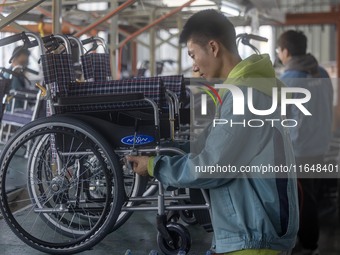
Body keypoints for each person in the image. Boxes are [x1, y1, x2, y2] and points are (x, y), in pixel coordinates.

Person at [128, 10, 299, 255]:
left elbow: (212, 165)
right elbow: (209, 143)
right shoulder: (243, 90)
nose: (195, 68)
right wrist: (168, 147)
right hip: (252, 228)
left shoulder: (245, 97)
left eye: (193, 55)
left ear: (213, 47)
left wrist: (156, 166)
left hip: (255, 236)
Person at [277, 30, 333, 255]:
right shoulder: (322, 73)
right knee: (309, 196)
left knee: (300, 199)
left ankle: (308, 246)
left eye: (279, 51)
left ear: (286, 51)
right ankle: (308, 243)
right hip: (320, 147)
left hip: (298, 150)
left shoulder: (287, 80)